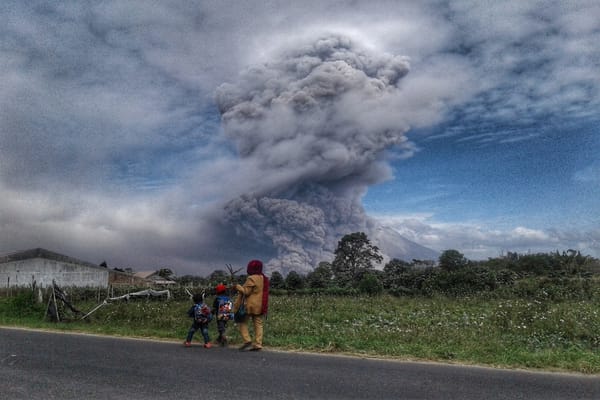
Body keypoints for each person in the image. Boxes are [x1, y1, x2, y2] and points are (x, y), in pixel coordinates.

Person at [233, 259, 270, 351]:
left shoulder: (251, 278)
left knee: (242, 322)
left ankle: (247, 340)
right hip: (260, 305)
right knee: (258, 324)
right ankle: (258, 344)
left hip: (249, 305)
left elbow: (246, 292)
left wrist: (238, 287)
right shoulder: (263, 278)